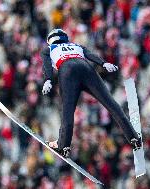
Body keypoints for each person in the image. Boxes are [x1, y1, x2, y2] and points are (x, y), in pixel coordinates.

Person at [41, 29, 141, 158]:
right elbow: (91, 55)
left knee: (67, 111)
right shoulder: (75, 45)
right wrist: (104, 63)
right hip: (86, 68)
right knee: (110, 103)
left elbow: (47, 65)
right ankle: (133, 138)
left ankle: (64, 145)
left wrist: (48, 80)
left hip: (67, 70)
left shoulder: (48, 49)